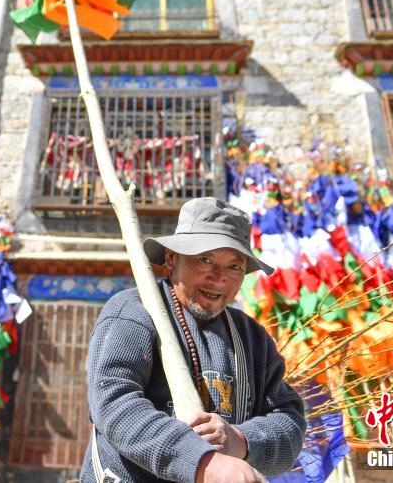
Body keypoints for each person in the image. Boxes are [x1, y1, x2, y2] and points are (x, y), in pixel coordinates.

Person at [81, 197, 306, 483]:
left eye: (234, 267)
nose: (219, 278)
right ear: (171, 258)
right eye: (205, 260)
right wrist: (205, 463)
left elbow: (289, 420)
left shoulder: (253, 338)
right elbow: (114, 403)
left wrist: (241, 440)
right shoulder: (132, 312)